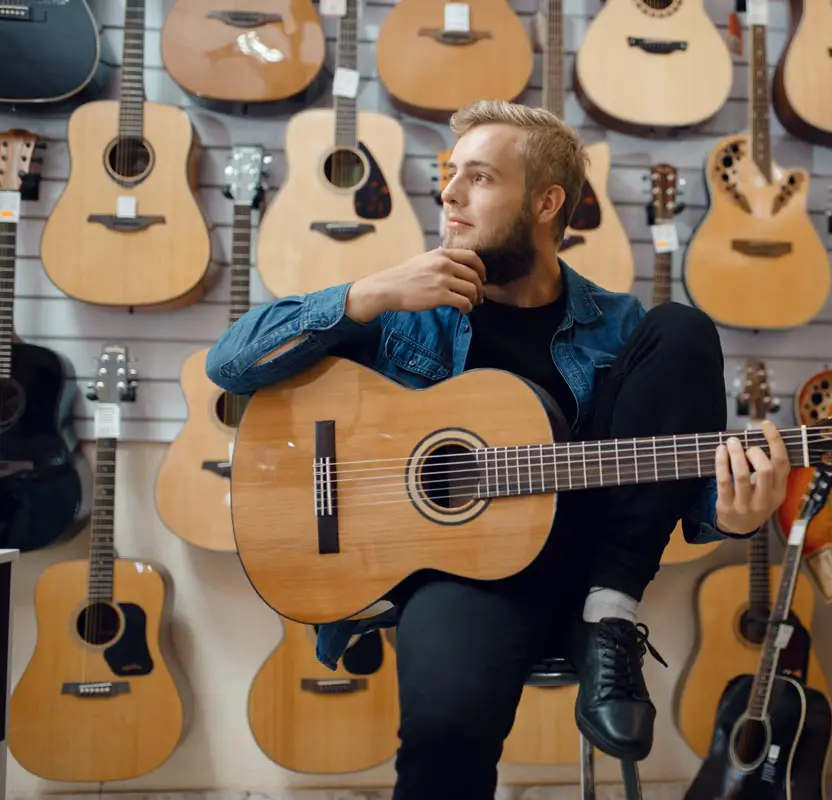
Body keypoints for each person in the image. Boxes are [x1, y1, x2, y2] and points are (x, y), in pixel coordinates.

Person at [205, 100, 791, 798]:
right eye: (450, 176)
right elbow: (231, 365)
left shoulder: (623, 329)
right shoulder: (406, 308)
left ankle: (610, 616)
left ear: (546, 202)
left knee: (684, 326)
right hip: (463, 574)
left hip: (594, 568)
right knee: (445, 734)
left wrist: (738, 512)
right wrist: (366, 294)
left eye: (478, 178)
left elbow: (673, 483)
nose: (448, 194)